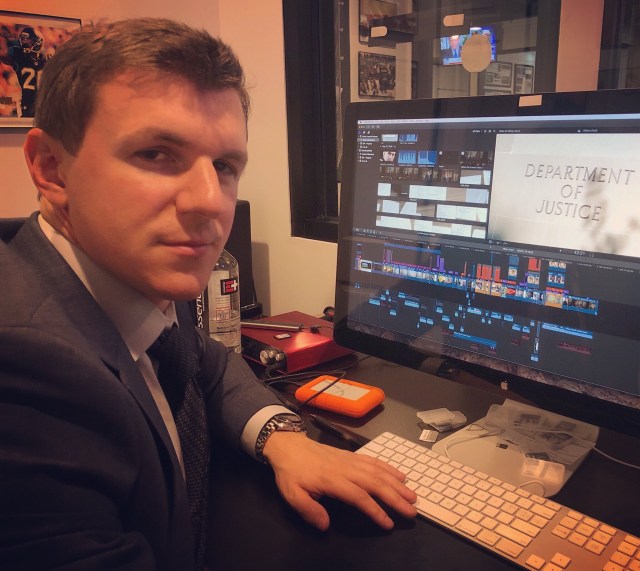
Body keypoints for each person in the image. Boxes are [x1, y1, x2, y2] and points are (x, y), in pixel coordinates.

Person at [0, 18, 417, 571]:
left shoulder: (129, 274)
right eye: (156, 153)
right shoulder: (25, 371)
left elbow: (205, 360)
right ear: (51, 169)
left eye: (223, 166)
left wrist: (284, 438)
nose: (210, 201)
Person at [0, 26, 50, 117]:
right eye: (23, 40)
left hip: (41, 104)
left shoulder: (46, 58)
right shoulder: (19, 56)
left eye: (28, 40)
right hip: (25, 105)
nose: (25, 43)